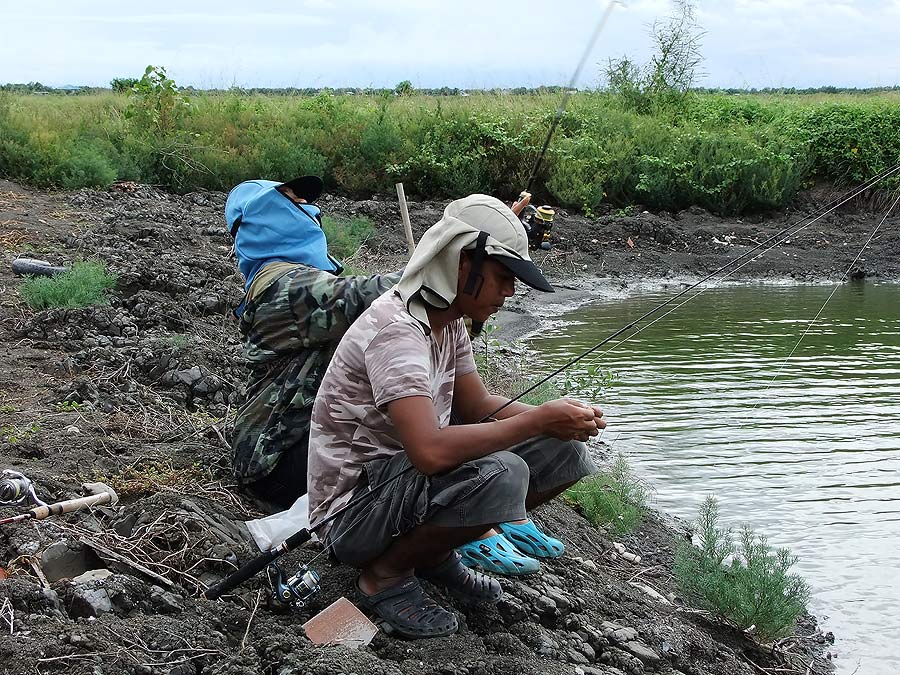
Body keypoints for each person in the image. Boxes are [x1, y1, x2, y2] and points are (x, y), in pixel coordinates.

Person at [307, 194, 605, 639]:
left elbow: (477, 406)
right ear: (462, 263)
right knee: (502, 472)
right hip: (352, 513)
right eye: (504, 278)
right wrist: (536, 420)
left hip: (398, 492)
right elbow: (428, 452)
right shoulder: (398, 331)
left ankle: (431, 555)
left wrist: (560, 421)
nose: (509, 293)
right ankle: (384, 576)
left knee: (566, 453)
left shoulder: (446, 321)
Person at [225, 176, 402, 509]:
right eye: (294, 201)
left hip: (301, 444)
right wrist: (452, 255)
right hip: (275, 461)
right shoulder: (286, 287)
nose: (309, 208)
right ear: (266, 216)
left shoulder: (296, 278)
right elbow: (372, 296)